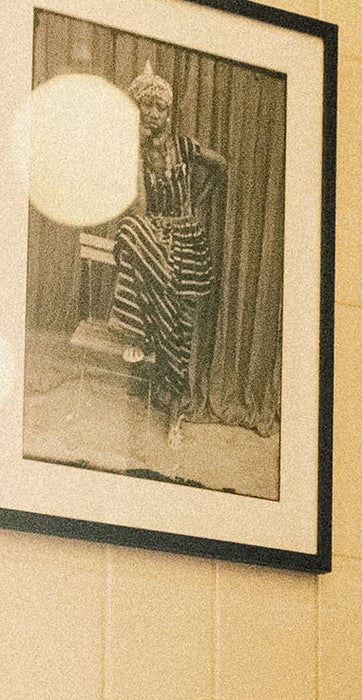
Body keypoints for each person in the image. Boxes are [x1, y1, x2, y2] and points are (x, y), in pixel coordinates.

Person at [112, 64, 226, 449]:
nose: (154, 114)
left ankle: (176, 418)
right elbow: (141, 210)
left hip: (188, 245)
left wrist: (196, 204)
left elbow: (221, 165)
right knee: (130, 230)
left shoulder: (185, 146)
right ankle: (141, 334)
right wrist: (134, 149)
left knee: (181, 335)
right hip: (154, 238)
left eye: (160, 108)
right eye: (146, 107)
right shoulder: (136, 154)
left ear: (168, 112)